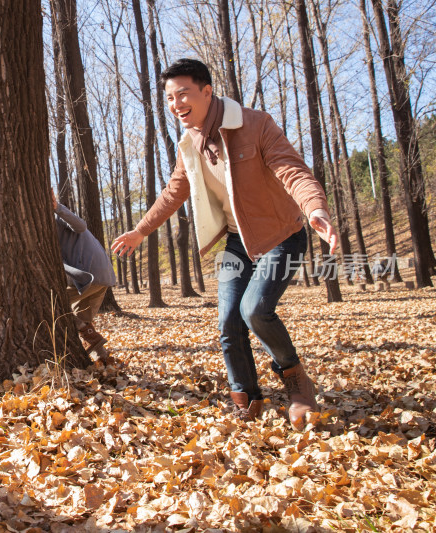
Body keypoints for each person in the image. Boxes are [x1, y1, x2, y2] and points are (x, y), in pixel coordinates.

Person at [111, 58, 338, 429]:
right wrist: (140, 231)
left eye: (182, 94)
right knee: (229, 321)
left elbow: (291, 169)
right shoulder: (189, 145)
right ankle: (247, 399)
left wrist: (315, 209)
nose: (175, 104)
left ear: (206, 91)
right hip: (236, 242)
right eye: (169, 98)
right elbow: (173, 193)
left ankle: (296, 380)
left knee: (255, 309)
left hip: (281, 234)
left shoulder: (255, 124)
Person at [53, 191, 116, 361]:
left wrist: (57, 207)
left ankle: (87, 335)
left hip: (90, 274)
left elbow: (80, 226)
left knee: (52, 306)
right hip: (103, 275)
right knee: (85, 326)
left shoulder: (56, 215)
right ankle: (104, 361)